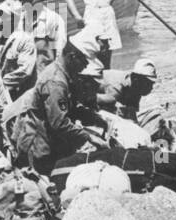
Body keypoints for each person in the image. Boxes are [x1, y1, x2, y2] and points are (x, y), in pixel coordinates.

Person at [6, 33, 106, 175]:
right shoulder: (55, 82)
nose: (86, 66)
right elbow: (59, 123)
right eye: (84, 61)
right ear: (72, 56)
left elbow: (70, 108)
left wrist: (92, 117)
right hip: (38, 148)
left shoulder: (65, 75)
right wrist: (89, 137)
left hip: (49, 142)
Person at [0, 0, 39, 98]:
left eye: (3, 16)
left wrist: (0, 85)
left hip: (23, 96)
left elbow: (25, 71)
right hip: (5, 95)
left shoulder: (25, 40)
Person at [21, 0, 67, 65]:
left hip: (46, 67)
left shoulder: (54, 18)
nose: (29, 2)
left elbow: (60, 47)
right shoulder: (21, 19)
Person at [98, 58, 158, 122]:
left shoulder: (136, 87)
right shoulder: (116, 87)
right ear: (136, 79)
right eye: (148, 84)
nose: (151, 88)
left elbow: (132, 114)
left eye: (152, 84)